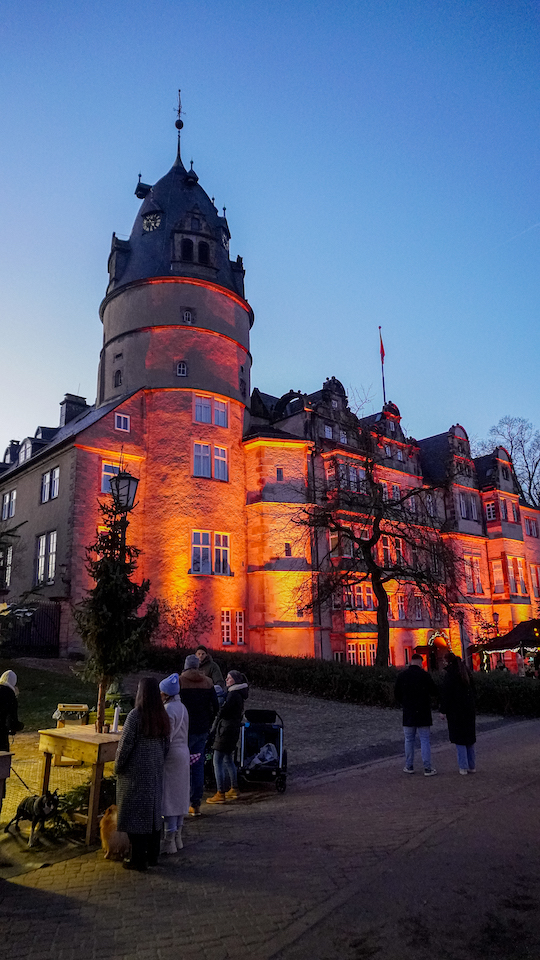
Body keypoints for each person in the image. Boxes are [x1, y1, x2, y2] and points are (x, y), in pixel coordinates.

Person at [115, 677, 169, 871]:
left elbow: (126, 745)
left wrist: (118, 767)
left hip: (136, 773)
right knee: (154, 815)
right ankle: (153, 855)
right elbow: (166, 744)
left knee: (135, 816)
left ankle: (138, 858)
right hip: (154, 771)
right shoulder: (161, 715)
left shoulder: (136, 716)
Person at [179, 655, 219, 816]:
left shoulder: (180, 682)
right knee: (197, 766)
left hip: (184, 730)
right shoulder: (208, 682)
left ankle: (183, 803)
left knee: (183, 767)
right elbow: (216, 706)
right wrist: (208, 722)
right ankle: (196, 804)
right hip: (202, 730)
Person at [206, 670, 249, 804]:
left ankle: (220, 792)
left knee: (217, 760)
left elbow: (223, 712)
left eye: (229, 678)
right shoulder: (239, 695)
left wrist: (214, 726)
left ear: (235, 680)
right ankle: (234, 788)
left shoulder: (232, 695)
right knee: (228, 759)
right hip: (232, 730)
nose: (226, 680)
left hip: (225, 730)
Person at [159, 673, 190, 853]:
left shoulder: (169, 710)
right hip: (183, 753)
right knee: (180, 797)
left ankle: (169, 840)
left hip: (171, 757)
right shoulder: (182, 707)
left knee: (169, 797)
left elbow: (166, 736)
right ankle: (178, 836)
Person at [394, 653, 438, 776]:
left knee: (409, 740)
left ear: (410, 661)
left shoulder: (402, 676)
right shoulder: (425, 676)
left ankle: (409, 765)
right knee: (424, 740)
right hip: (423, 712)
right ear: (420, 662)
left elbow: (396, 694)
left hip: (408, 712)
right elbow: (434, 691)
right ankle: (427, 768)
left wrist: (404, 702)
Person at [439, 652, 476, 775]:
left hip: (456, 710)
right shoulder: (465, 672)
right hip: (468, 709)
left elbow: (446, 694)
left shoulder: (451, 674)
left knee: (459, 739)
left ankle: (463, 766)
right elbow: (474, 690)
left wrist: (443, 710)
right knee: (469, 738)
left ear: (448, 661)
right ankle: (472, 765)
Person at [0, 670, 24, 820]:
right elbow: (12, 722)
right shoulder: (10, 696)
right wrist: (18, 726)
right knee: (1, 774)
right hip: (0, 740)